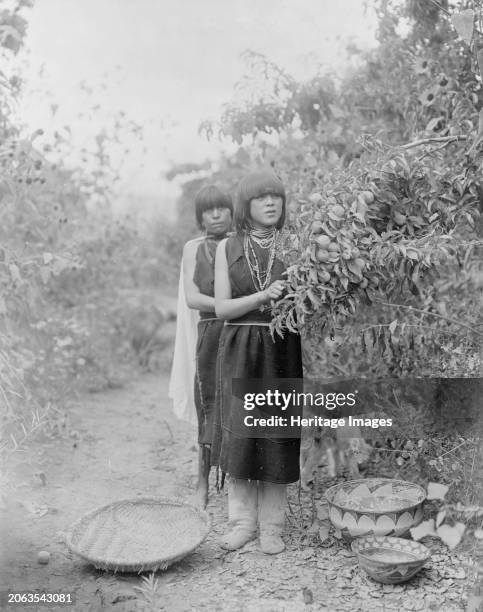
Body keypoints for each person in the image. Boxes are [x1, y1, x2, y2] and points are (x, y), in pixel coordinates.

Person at [213, 169, 302, 555]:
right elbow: (221, 308)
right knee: (242, 434)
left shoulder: (296, 244)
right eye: (262, 197)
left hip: (282, 346)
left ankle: (272, 527)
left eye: (276, 197)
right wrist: (264, 296)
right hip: (239, 344)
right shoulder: (227, 248)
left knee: (276, 432)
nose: (271, 203)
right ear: (246, 206)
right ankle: (242, 523)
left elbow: (310, 302)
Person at [181, 185, 233, 509]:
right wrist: (228, 305)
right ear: (200, 216)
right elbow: (192, 297)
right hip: (211, 330)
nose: (215, 215)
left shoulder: (241, 242)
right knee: (209, 403)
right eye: (208, 210)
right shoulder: (193, 248)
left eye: (221, 208)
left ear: (232, 211)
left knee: (241, 403)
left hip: (241, 331)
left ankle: (240, 487)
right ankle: (201, 484)